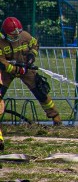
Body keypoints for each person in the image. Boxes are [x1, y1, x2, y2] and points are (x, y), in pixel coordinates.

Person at [0, 17, 62, 149]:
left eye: (18, 34)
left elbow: (34, 44)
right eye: (13, 36)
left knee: (41, 91)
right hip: (7, 72)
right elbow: (2, 63)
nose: (17, 37)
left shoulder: (25, 36)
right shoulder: (0, 42)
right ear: (4, 34)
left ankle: (55, 118)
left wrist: (31, 56)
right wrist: (16, 69)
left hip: (26, 69)